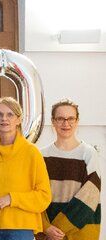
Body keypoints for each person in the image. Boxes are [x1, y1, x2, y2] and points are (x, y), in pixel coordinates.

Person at [0, 97, 52, 240]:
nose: (4, 118)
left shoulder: (32, 153)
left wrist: (12, 198)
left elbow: (44, 196)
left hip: (21, 229)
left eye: (10, 114)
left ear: (19, 120)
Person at [39, 99, 101, 240]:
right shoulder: (41, 156)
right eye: (60, 118)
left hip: (80, 234)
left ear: (77, 121)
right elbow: (35, 196)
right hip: (48, 234)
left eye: (71, 118)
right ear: (53, 122)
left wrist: (57, 229)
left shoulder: (88, 154)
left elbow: (89, 197)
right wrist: (46, 228)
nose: (66, 123)